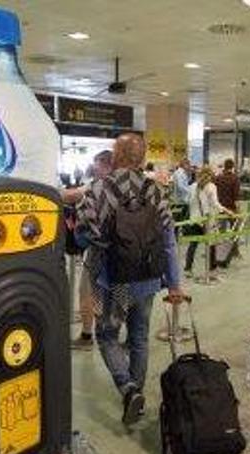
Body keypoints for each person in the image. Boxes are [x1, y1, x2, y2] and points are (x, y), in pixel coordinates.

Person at [76, 133, 184, 426]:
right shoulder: (156, 190)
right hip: (149, 279)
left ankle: (128, 388)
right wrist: (174, 283)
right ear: (142, 156)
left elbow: (82, 236)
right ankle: (135, 394)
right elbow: (169, 242)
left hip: (114, 281)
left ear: (116, 154)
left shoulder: (98, 189)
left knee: (108, 335)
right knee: (139, 337)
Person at [70, 150, 113, 351]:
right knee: (117, 293)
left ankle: (87, 335)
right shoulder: (130, 186)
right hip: (125, 252)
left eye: (96, 164)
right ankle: (123, 336)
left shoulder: (95, 187)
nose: (94, 168)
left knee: (86, 291)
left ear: (104, 165)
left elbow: (70, 196)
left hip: (98, 250)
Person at [184, 166, 235, 278]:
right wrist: (227, 211)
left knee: (193, 244)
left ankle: (188, 269)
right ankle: (212, 269)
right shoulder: (211, 186)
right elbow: (215, 203)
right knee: (211, 244)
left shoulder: (192, 186)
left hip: (194, 219)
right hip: (207, 221)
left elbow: (187, 201)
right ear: (210, 175)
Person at [214, 158, 242, 261]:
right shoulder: (235, 179)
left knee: (220, 231)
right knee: (235, 230)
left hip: (220, 209)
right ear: (233, 167)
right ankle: (235, 251)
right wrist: (239, 212)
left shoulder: (217, 178)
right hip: (232, 210)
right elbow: (237, 198)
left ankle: (219, 253)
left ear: (224, 166)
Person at [170, 158, 192, 224]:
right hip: (181, 202)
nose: (190, 167)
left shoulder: (181, 173)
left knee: (180, 221)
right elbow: (181, 186)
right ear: (185, 164)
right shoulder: (180, 173)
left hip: (180, 201)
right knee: (180, 221)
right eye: (189, 165)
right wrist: (190, 192)